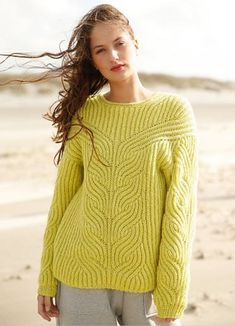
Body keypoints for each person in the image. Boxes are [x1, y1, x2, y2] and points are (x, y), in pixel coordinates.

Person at [7, 3, 198, 326]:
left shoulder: (174, 112)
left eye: (119, 43)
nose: (113, 56)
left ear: (134, 43)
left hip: (146, 281)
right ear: (93, 60)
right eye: (101, 50)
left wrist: (173, 290)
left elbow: (180, 207)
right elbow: (63, 199)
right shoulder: (86, 113)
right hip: (79, 273)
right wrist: (46, 278)